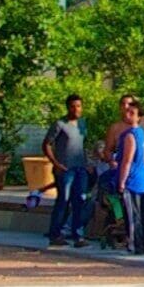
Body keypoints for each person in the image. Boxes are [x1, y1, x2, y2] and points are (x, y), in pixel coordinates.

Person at [104, 98, 144, 255]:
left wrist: (122, 181)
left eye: (132, 112)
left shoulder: (130, 136)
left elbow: (127, 161)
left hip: (133, 179)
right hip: (143, 178)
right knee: (142, 213)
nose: (128, 114)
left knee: (132, 214)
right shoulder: (141, 133)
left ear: (138, 117)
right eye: (127, 111)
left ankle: (135, 243)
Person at [42, 95, 91, 248]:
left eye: (79, 106)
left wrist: (87, 163)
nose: (76, 109)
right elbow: (47, 144)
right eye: (73, 106)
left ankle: (78, 235)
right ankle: (55, 234)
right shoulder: (59, 124)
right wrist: (56, 163)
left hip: (80, 168)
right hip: (65, 169)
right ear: (68, 107)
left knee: (80, 201)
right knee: (63, 201)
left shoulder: (82, 124)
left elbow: (83, 144)